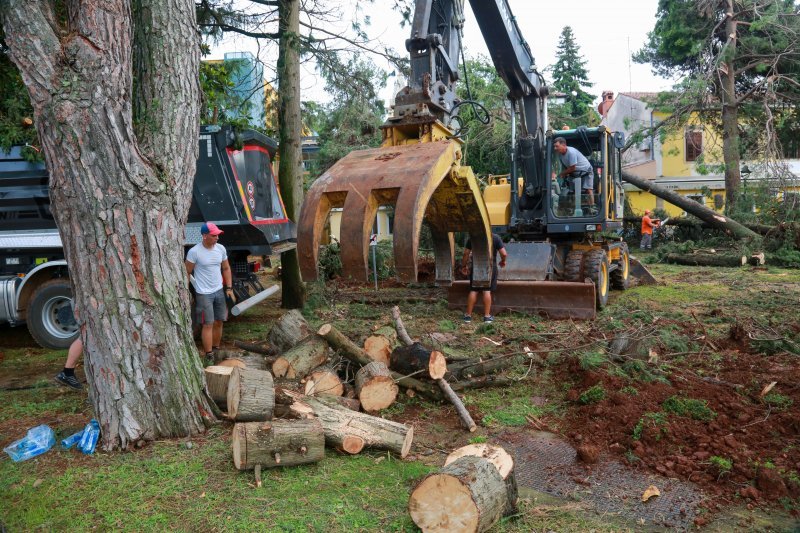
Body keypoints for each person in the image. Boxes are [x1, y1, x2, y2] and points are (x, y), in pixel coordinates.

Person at [185, 222, 234, 362]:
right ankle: (209, 354)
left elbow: (226, 268)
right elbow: (187, 271)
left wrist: (229, 287)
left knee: (219, 321)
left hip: (218, 290)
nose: (217, 238)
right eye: (214, 235)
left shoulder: (220, 249)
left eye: (218, 235)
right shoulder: (194, 252)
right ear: (205, 236)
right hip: (203, 293)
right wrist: (185, 291)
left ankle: (216, 349)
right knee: (208, 324)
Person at [460, 233, 508, 323]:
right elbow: (504, 254)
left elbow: (466, 253)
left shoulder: (473, 237)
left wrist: (463, 265)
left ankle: (468, 316)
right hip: (490, 267)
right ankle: (486, 317)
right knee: (487, 290)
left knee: (474, 290)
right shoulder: (495, 237)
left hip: (476, 266)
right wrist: (503, 261)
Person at [553, 137, 594, 213]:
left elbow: (572, 168)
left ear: (564, 145)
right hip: (575, 173)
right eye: (554, 146)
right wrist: (560, 175)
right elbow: (565, 167)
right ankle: (575, 208)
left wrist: (562, 174)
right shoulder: (561, 155)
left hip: (586, 171)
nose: (555, 148)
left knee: (588, 189)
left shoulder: (571, 152)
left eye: (557, 146)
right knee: (573, 191)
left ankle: (592, 207)